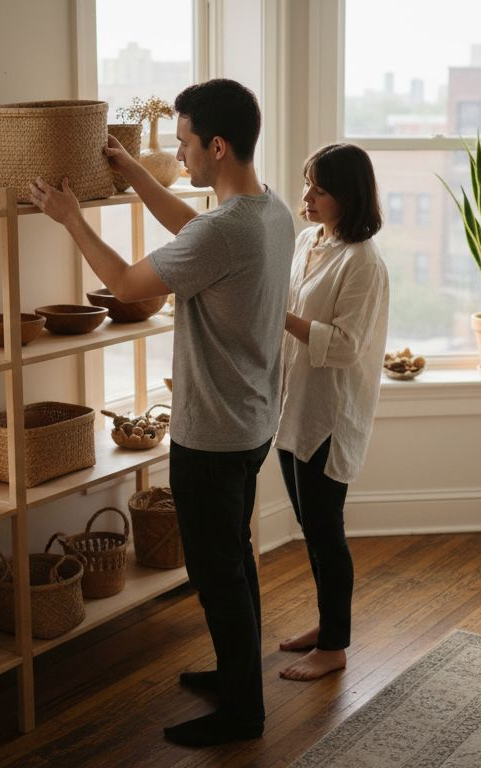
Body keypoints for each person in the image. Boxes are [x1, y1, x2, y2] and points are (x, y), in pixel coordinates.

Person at [28, 78, 294, 747]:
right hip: (252, 423)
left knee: (216, 572)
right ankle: (238, 679)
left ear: (218, 146)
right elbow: (194, 231)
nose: (177, 155)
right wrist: (135, 173)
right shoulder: (270, 211)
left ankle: (243, 713)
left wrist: (71, 218)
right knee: (234, 558)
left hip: (212, 435)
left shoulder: (225, 231)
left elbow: (124, 285)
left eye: (183, 143)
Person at [275, 143, 388, 682]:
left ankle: (335, 646)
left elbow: (344, 346)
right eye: (307, 184)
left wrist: (279, 315)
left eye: (320, 189)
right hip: (293, 403)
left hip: (329, 413)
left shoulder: (363, 261)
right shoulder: (308, 241)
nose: (307, 196)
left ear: (349, 195)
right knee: (310, 525)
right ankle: (327, 625)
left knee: (325, 530)